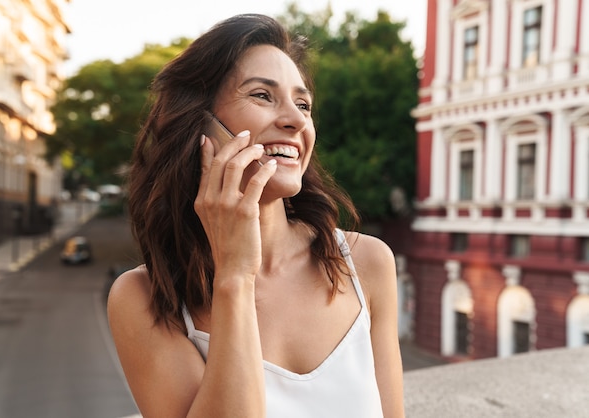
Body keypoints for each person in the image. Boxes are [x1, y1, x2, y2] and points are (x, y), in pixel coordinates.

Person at [107, 13, 405, 418]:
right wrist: (234, 277)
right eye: (263, 96)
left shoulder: (368, 263)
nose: (296, 120)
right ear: (201, 125)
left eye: (304, 104)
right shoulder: (142, 298)